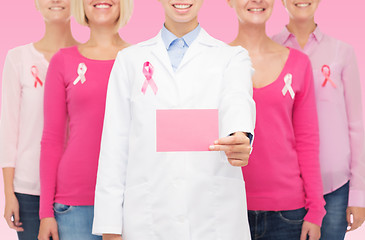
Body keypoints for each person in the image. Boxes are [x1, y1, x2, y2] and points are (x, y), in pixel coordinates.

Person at [92, 0, 256, 239]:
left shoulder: (232, 57)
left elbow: (238, 99)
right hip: (148, 221)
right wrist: (110, 228)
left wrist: (240, 135)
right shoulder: (129, 61)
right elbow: (114, 149)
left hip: (213, 221)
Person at [227, 0, 326, 239]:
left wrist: (315, 210)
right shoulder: (213, 63)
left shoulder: (299, 64)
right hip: (227, 207)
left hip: (287, 213)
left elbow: (307, 141)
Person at [37, 0, 133, 239]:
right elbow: (52, 139)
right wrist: (45, 212)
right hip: (74, 204)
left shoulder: (140, 59)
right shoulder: (63, 61)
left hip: (131, 199)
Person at [272, 0, 365, 239]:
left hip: (334, 187)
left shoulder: (342, 51)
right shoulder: (269, 48)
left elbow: (356, 125)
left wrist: (358, 194)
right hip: (283, 187)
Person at [0, 0, 77, 239]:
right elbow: (8, 129)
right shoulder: (18, 58)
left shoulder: (87, 58)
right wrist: (9, 193)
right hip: (29, 191)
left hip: (77, 188)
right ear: (35, 4)